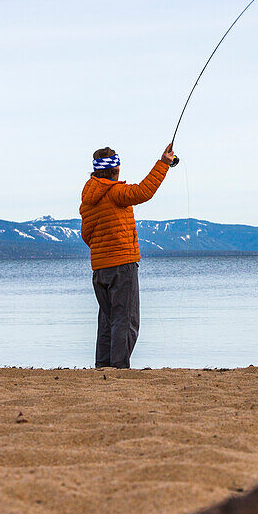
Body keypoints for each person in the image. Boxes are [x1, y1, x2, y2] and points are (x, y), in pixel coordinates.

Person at [80, 143, 175, 368]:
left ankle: (103, 366)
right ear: (115, 170)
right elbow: (144, 191)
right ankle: (119, 368)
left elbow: (86, 235)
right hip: (122, 265)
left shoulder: (87, 200)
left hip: (100, 268)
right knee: (126, 320)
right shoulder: (115, 192)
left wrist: (103, 249)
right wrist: (164, 164)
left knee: (107, 319)